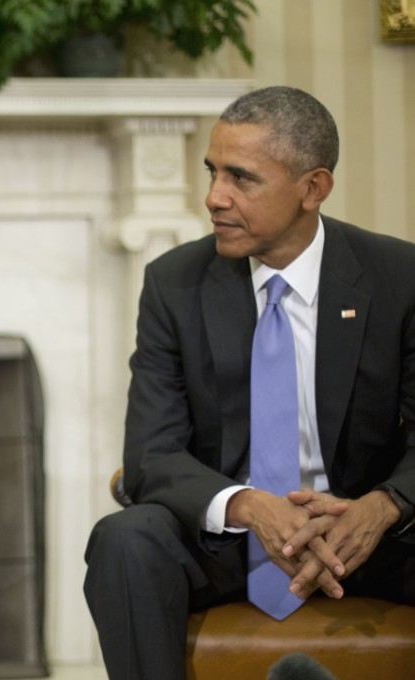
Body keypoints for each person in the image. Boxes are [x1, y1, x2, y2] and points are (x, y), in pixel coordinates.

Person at [83, 85, 415, 679]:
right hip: (229, 545)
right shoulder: (174, 283)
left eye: (242, 178)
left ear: (312, 188)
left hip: (365, 537)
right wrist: (249, 505)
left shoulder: (400, 279)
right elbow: (152, 454)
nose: (214, 197)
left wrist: (383, 506)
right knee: (125, 539)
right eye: (212, 172)